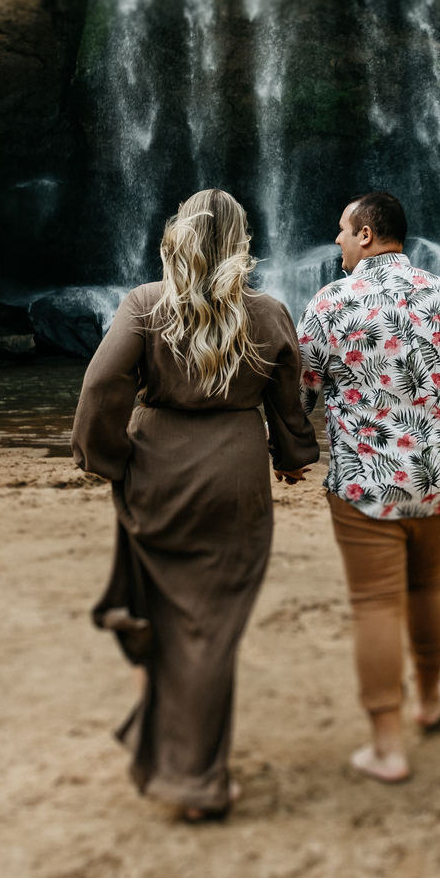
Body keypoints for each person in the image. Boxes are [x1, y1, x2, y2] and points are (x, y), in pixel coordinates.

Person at [72, 188, 318, 821]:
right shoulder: (268, 312)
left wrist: (107, 458)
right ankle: (196, 780)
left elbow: (100, 385)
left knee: (161, 615)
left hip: (155, 471)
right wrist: (291, 455)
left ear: (178, 236)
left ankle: (173, 757)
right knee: (210, 630)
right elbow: (287, 397)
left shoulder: (146, 304)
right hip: (235, 476)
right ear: (240, 242)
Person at [295, 190, 440, 782]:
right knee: (430, 584)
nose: (337, 239)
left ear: (366, 234)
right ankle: (431, 697)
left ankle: (387, 746)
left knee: (375, 604)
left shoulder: (331, 301)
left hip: (366, 483)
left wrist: (288, 447)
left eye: (343, 229)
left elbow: (302, 388)